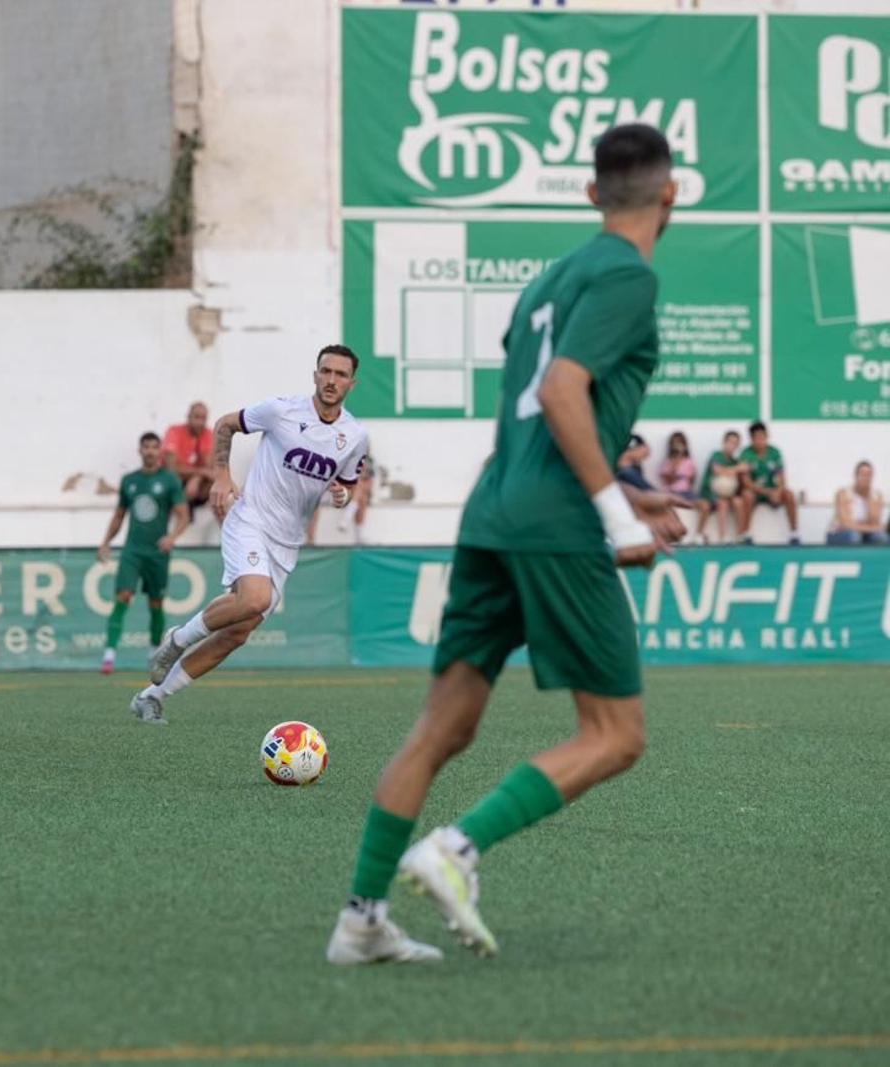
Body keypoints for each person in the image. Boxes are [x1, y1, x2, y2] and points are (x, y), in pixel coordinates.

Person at [327, 124, 687, 965]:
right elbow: (563, 393)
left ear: (592, 192)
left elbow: (532, 411)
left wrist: (629, 489)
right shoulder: (630, 275)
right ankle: (456, 848)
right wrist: (619, 516)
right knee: (615, 733)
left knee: (441, 727)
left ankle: (360, 920)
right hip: (556, 523)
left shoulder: (548, 279)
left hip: (493, 510)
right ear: (670, 194)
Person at [134, 345, 369, 724]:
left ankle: (152, 696)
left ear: (351, 383)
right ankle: (177, 639)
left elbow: (344, 487)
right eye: (325, 371)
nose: (331, 380)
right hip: (251, 520)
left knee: (237, 633)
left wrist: (341, 496)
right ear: (314, 375)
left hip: (286, 543)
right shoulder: (282, 411)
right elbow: (225, 424)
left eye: (340, 375)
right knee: (254, 598)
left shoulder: (355, 436)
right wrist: (223, 475)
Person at [97, 433, 189, 674]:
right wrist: (106, 542)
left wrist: (172, 537)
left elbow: (183, 515)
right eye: (146, 447)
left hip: (157, 553)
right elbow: (119, 516)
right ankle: (109, 655)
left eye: (154, 447)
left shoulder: (169, 480)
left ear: (159, 452)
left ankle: (153, 653)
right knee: (122, 596)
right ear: (140, 451)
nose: (150, 451)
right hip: (133, 550)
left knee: (156, 602)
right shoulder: (130, 481)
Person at [735, 421, 800, 545]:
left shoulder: (774, 453)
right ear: (751, 439)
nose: (760, 441)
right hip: (757, 492)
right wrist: (767, 492)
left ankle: (794, 534)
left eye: (762, 437)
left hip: (773, 491)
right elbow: (746, 482)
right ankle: (746, 534)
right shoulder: (746, 454)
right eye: (756, 438)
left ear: (767, 436)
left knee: (789, 494)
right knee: (747, 495)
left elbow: (782, 478)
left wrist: (778, 491)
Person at [695, 430, 748, 545]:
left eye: (735, 443)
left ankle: (740, 536)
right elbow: (717, 470)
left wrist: (739, 470)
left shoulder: (734, 461)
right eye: (730, 442)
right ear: (724, 442)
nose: (732, 445)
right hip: (710, 492)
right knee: (722, 503)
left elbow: (739, 478)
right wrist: (736, 469)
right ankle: (722, 537)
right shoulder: (716, 455)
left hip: (728, 493)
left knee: (739, 502)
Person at [163, 402, 215, 521]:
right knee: (172, 480)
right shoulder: (174, 431)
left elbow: (208, 466)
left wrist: (196, 478)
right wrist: (200, 472)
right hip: (175, 481)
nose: (200, 422)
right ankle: (181, 508)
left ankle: (185, 505)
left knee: (216, 480)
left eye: (203, 418)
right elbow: (171, 468)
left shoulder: (207, 433)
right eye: (197, 417)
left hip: (192, 485)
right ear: (188, 416)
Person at [826, 461, 888, 545]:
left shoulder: (876, 496)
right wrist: (870, 527)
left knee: (883, 538)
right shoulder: (843, 494)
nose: (866, 478)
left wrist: (867, 500)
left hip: (864, 533)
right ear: (855, 476)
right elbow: (846, 524)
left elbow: (875, 522)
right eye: (863, 474)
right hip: (839, 532)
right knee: (854, 536)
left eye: (869, 475)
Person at [659, 432, 697, 505]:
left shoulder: (689, 462)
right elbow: (669, 481)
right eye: (674, 443)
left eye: (679, 442)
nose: (677, 445)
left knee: (702, 503)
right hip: (671, 492)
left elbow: (691, 481)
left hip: (686, 492)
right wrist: (675, 463)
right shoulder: (667, 461)